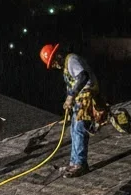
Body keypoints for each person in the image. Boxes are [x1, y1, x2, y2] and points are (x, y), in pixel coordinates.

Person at [39, 43, 105, 177]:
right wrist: (68, 100)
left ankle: (80, 164)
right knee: (74, 129)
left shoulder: (71, 60)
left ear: (57, 55)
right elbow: (72, 83)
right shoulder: (65, 66)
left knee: (80, 129)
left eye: (53, 62)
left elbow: (83, 77)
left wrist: (71, 96)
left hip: (87, 97)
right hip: (79, 99)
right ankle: (74, 162)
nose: (54, 66)